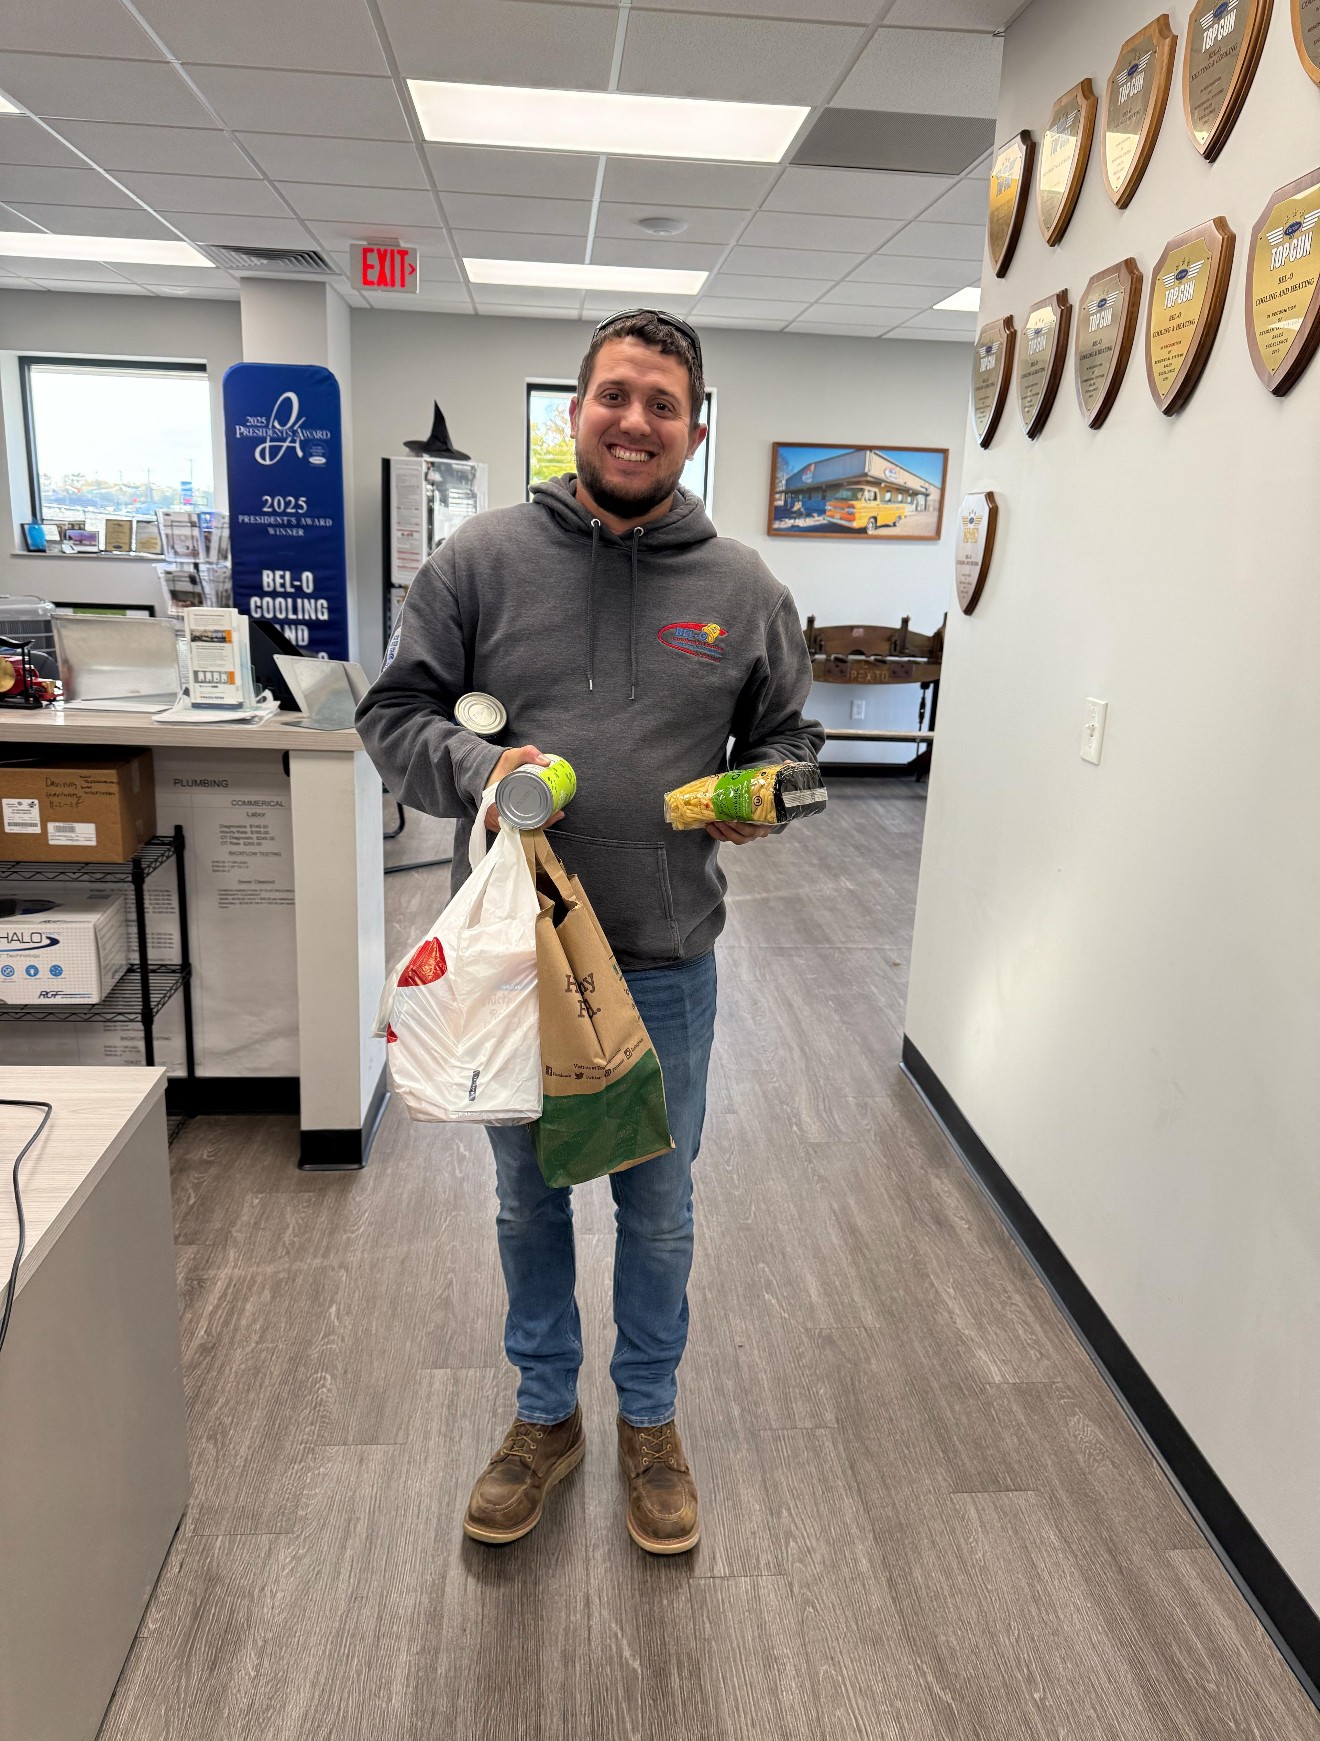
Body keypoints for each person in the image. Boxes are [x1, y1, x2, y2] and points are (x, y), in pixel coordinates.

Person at [356, 309, 823, 1556]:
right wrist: (479, 764)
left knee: (659, 1209)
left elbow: (789, 742)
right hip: (524, 960)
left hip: (666, 959)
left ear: (696, 428)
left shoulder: (744, 588)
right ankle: (545, 1416)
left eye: (663, 404)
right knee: (531, 1202)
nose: (635, 420)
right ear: (573, 415)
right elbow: (392, 716)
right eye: (614, 395)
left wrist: (762, 796)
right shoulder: (479, 562)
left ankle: (651, 1422)